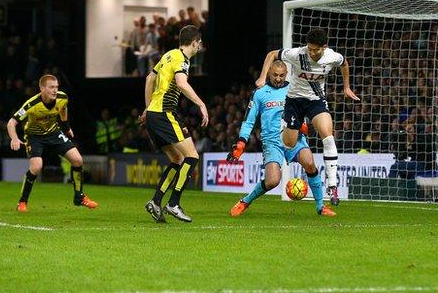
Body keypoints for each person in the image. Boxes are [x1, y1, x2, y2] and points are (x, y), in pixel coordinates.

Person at [255, 28, 360, 205]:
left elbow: (344, 64)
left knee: (328, 136)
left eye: (315, 50)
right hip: (294, 101)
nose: (311, 52)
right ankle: (288, 128)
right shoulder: (297, 54)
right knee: (289, 143)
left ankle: (333, 185)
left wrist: (347, 87)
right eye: (309, 48)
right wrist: (262, 77)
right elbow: (272, 54)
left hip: (315, 101)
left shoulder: (332, 56)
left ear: (324, 47)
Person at [227, 60, 336, 217]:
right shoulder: (260, 93)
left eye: (282, 75)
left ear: (287, 74)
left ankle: (320, 206)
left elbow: (305, 109)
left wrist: (305, 123)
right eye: (275, 75)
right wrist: (241, 144)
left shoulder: (295, 89)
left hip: (294, 137)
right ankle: (245, 201)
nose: (278, 78)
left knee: (310, 163)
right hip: (272, 142)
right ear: (269, 72)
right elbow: (248, 121)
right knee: (272, 181)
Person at [140, 25, 209, 223]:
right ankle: (174, 203)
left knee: (178, 159)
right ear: (194, 42)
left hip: (155, 113)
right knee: (192, 156)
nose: (200, 46)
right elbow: (181, 83)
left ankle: (156, 201)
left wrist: (147, 108)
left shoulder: (169, 54)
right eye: (200, 42)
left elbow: (149, 78)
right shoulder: (182, 60)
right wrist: (201, 104)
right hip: (164, 113)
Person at [7, 74, 98, 212]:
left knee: (78, 160)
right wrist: (14, 138)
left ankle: (79, 197)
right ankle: (22, 202)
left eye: (56, 87)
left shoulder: (62, 98)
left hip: (54, 133)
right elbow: (11, 122)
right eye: (51, 87)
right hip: (35, 136)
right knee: (37, 167)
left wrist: (66, 127)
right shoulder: (31, 104)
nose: (55, 90)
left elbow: (63, 108)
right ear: (42, 88)